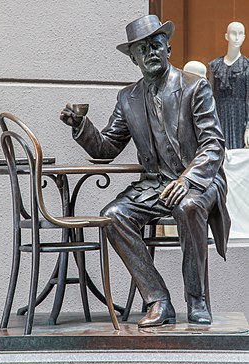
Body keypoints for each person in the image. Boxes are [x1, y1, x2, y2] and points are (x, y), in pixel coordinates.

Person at [61, 15, 230, 328]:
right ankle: (158, 299)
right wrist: (81, 127)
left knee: (188, 205)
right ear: (133, 58)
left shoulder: (195, 88)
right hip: (154, 187)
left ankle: (197, 299)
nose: (151, 52)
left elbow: (213, 145)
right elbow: (107, 148)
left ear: (167, 48)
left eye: (156, 45)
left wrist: (187, 179)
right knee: (113, 214)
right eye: (142, 48)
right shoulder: (128, 98)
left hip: (199, 182)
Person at [209, 21, 249, 149]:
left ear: (244, 37)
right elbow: (209, 98)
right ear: (226, 36)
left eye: (240, 34)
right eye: (233, 33)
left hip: (240, 117)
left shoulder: (247, 66)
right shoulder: (214, 66)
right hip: (219, 117)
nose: (237, 37)